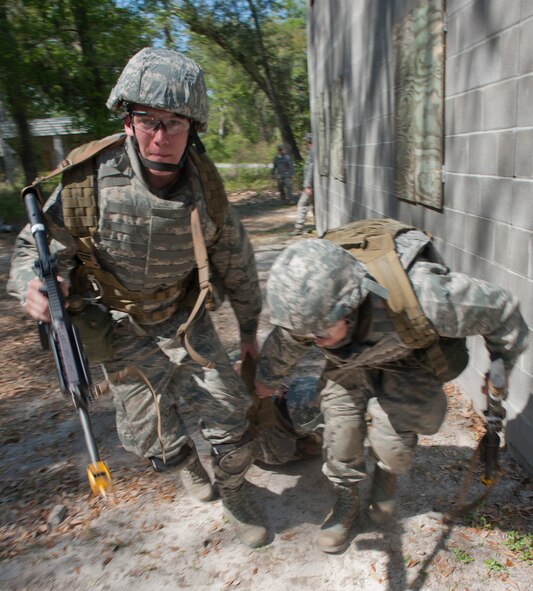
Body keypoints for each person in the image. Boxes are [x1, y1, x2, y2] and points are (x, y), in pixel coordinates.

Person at [8, 47, 268, 548]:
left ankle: (234, 490)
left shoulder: (205, 188)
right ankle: (186, 463)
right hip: (119, 325)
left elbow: (239, 266)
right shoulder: (88, 181)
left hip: (183, 317)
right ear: (128, 120)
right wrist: (34, 285)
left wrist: (251, 334)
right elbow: (34, 245)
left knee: (232, 421)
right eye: (148, 119)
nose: (161, 135)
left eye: (175, 122)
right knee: (153, 443)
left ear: (193, 128)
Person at [254, 223, 528, 553]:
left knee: (395, 449)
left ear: (351, 305)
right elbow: (285, 344)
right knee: (342, 434)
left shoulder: (425, 296)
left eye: (318, 333)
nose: (311, 342)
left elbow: (503, 309)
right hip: (349, 365)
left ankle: (387, 474)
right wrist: (264, 383)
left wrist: (502, 365)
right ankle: (346, 500)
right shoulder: (312, 315)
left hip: (407, 359)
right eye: (306, 334)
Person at [291, 134, 314, 236]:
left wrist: (308, 186)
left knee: (302, 204)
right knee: (314, 205)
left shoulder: (313, 153)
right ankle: (318, 225)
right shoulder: (314, 152)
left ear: (309, 142)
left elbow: (310, 169)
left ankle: (299, 228)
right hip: (314, 185)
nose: (306, 144)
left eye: (306, 142)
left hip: (311, 186)